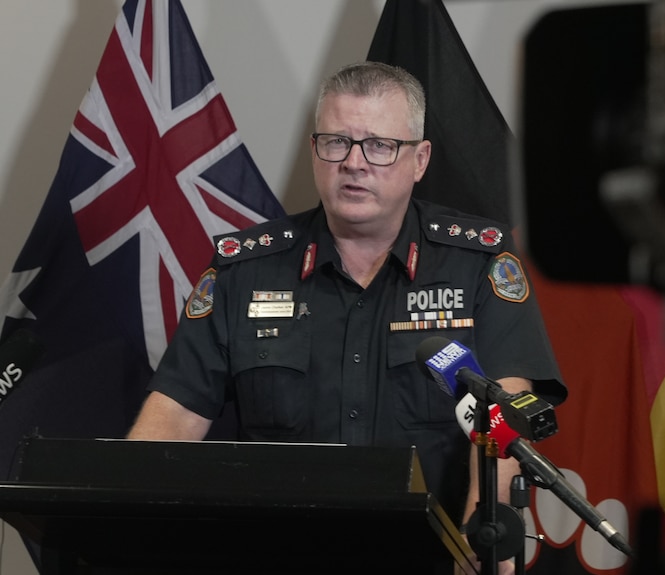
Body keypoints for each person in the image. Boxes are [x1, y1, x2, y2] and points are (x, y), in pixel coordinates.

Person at [127, 61, 566, 574]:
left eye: (380, 146)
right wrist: (132, 526)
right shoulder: (243, 270)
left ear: (420, 160)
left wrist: (480, 533)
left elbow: (501, 415)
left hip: (430, 555)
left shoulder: (479, 263)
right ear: (316, 151)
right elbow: (174, 417)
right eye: (337, 142)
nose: (355, 163)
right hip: (274, 555)